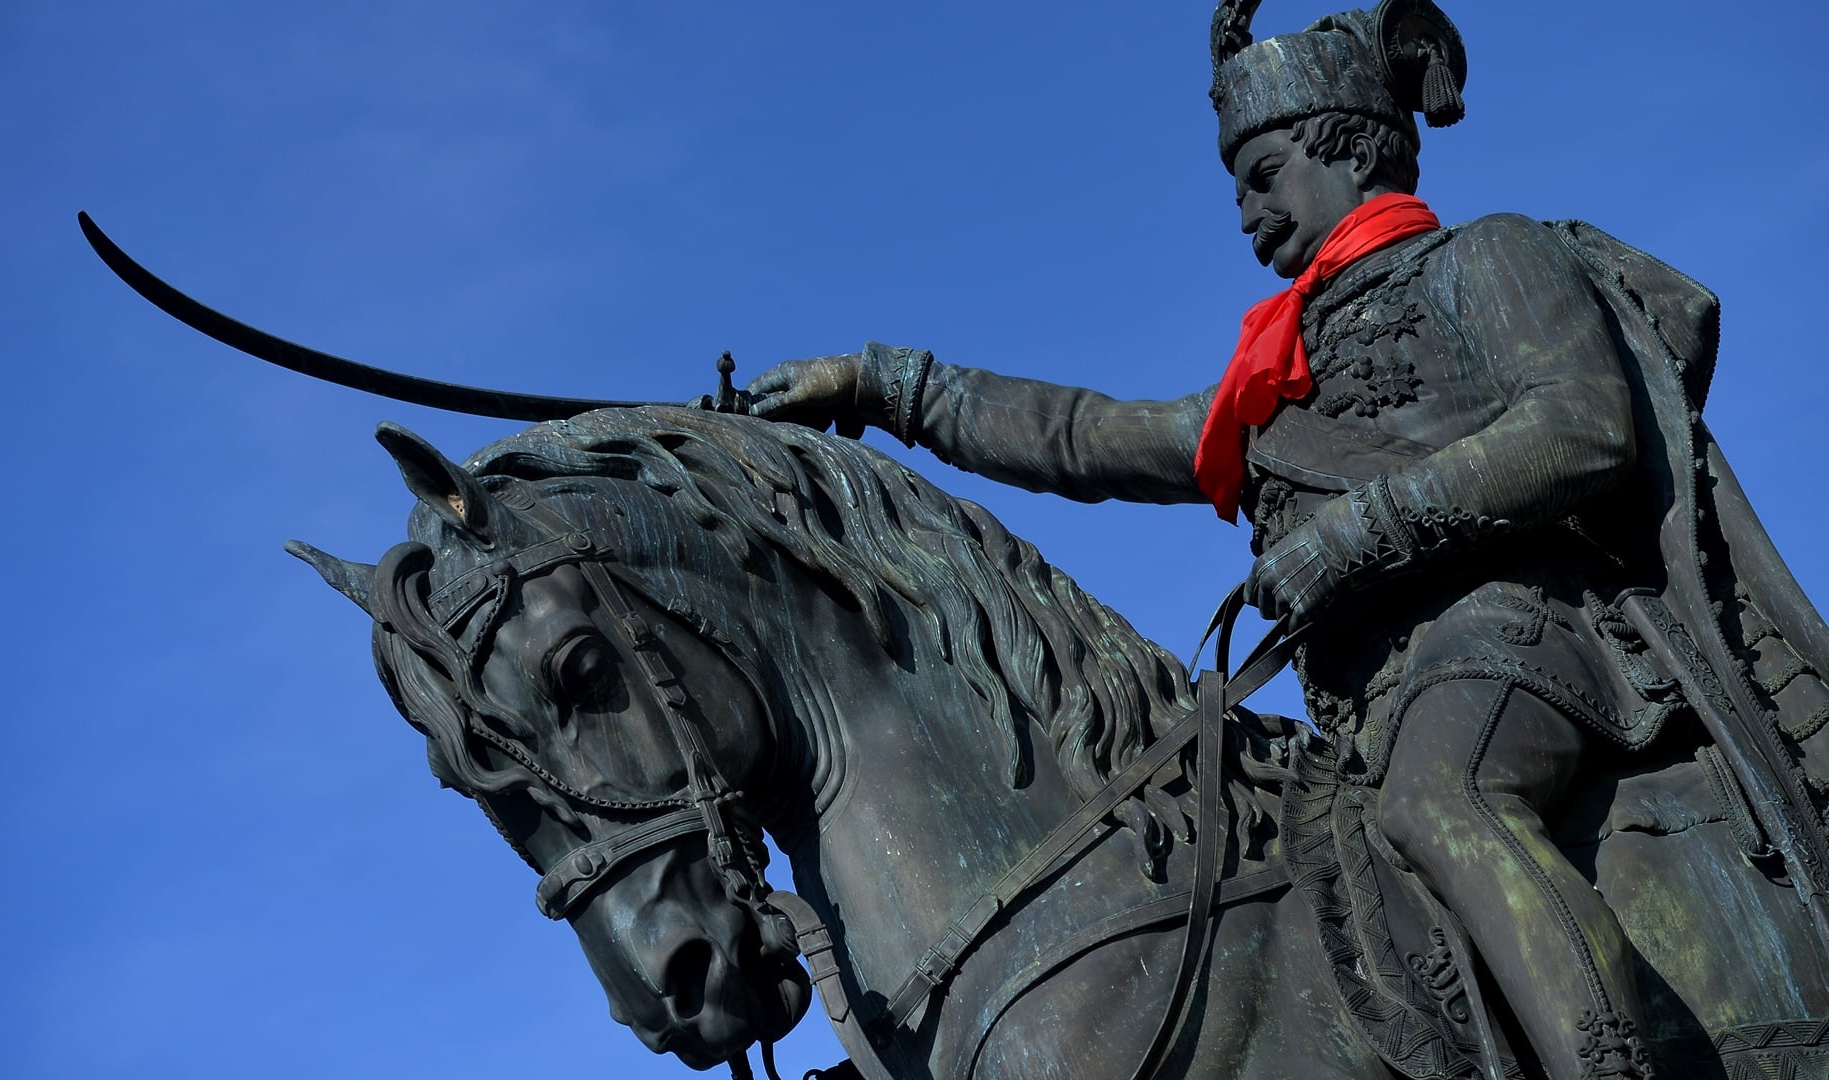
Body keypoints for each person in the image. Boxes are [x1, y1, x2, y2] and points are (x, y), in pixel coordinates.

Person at [745, 2, 1829, 1077]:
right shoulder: (1270, 384)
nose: (1243, 209)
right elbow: (1084, 434)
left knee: (1439, 799)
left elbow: (1581, 425)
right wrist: (883, 386)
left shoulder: (1490, 259)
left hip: (1525, 631)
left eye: (1262, 175)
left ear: (1349, 146)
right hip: (1374, 703)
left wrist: (1361, 529)